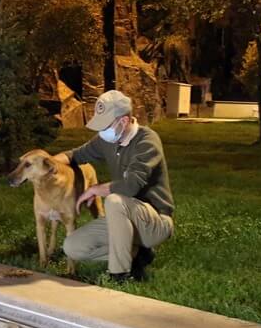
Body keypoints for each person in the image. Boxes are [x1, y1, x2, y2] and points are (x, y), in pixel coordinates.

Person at [56, 90, 174, 282]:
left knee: (114, 199)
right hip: (121, 217)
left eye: (106, 125)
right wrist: (48, 162)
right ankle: (136, 254)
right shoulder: (106, 140)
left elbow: (130, 186)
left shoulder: (147, 140)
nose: (102, 131)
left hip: (155, 222)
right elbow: (75, 155)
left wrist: (95, 189)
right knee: (73, 246)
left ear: (124, 121)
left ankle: (120, 274)